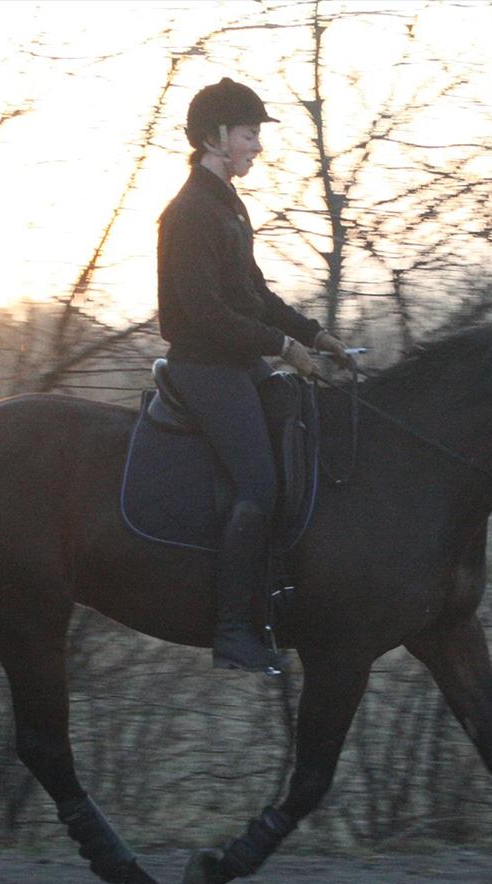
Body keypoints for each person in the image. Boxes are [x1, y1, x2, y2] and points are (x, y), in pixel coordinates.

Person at [156, 77, 351, 674]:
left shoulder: (226, 205)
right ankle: (234, 629)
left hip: (239, 362)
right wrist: (285, 347)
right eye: (249, 134)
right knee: (259, 486)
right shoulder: (189, 212)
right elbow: (206, 313)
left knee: (306, 442)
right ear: (217, 138)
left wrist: (315, 334)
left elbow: (254, 295)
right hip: (204, 367)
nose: (257, 147)